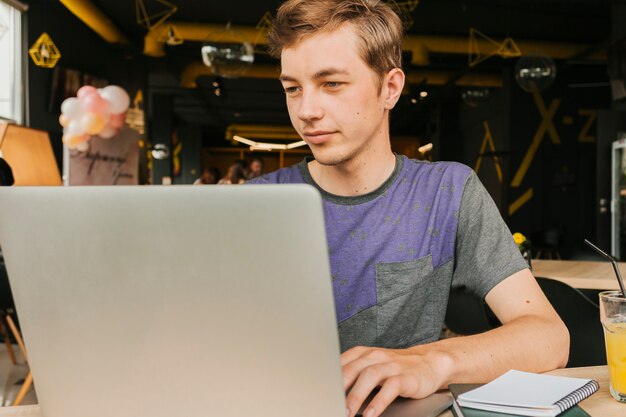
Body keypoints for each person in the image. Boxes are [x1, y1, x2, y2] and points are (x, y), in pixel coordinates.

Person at [250, 1, 570, 417]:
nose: (306, 111)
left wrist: (432, 361)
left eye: (331, 84)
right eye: (292, 88)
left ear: (390, 88)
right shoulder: (258, 204)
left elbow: (548, 338)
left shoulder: (447, 192)